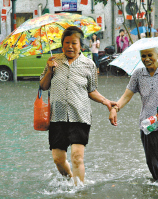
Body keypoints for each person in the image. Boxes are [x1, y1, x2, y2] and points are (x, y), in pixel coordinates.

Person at [40, 26, 117, 185]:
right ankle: (71, 181)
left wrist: (106, 102)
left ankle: (79, 192)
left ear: (81, 45)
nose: (70, 46)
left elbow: (92, 90)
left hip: (80, 116)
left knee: (76, 157)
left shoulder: (89, 65)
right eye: (66, 43)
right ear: (62, 45)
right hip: (57, 116)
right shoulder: (54, 62)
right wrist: (49, 70)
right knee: (58, 159)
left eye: (73, 43)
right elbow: (43, 86)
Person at [109, 47, 158, 185]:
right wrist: (115, 108)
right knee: (152, 161)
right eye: (143, 56)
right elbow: (127, 96)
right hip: (148, 125)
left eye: (150, 55)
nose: (147, 59)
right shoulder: (138, 74)